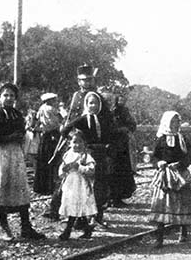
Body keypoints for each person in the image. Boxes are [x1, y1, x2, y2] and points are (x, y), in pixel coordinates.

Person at [0, 82, 45, 241]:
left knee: (21, 188)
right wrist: (8, 138)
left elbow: (22, 132)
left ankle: (26, 227)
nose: (8, 98)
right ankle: (5, 228)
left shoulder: (17, 114)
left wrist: (23, 134)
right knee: (2, 187)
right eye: (5, 95)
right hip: (1, 155)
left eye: (12, 96)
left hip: (15, 155)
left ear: (15, 98)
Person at [62, 91, 115, 227]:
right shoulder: (82, 119)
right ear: (86, 104)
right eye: (90, 103)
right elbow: (65, 130)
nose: (93, 106)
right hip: (87, 156)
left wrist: (108, 146)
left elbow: (111, 135)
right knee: (85, 187)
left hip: (101, 156)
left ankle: (98, 216)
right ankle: (81, 218)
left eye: (96, 103)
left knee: (101, 186)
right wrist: (78, 143)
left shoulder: (104, 119)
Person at [150, 111, 191, 248]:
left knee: (182, 203)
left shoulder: (182, 139)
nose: (176, 125)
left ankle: (184, 231)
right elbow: (154, 157)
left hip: (179, 175)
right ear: (166, 123)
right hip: (165, 176)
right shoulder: (161, 139)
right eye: (173, 122)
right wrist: (158, 163)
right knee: (163, 205)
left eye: (178, 122)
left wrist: (181, 164)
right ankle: (159, 237)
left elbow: (188, 157)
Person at [58, 129, 97, 240]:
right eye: (74, 142)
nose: (77, 145)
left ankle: (67, 231)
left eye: (80, 142)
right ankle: (87, 229)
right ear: (69, 143)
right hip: (70, 185)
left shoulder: (85, 156)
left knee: (77, 206)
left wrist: (79, 167)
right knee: (76, 207)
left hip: (81, 186)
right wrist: (63, 171)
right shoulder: (67, 154)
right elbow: (61, 168)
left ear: (84, 143)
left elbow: (91, 170)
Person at [109, 93, 137, 207]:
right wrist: (119, 129)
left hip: (123, 145)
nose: (122, 102)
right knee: (113, 171)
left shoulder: (125, 111)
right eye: (120, 100)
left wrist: (127, 128)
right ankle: (112, 198)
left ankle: (119, 197)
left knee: (123, 171)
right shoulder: (111, 112)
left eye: (123, 100)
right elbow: (109, 127)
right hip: (113, 145)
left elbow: (132, 124)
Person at [34, 92, 62, 196]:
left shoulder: (41, 108)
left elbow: (37, 120)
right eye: (54, 100)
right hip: (52, 134)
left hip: (44, 135)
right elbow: (55, 123)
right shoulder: (51, 109)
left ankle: (41, 186)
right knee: (53, 157)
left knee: (43, 159)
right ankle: (50, 186)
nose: (56, 102)